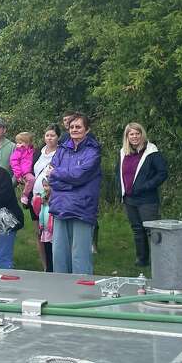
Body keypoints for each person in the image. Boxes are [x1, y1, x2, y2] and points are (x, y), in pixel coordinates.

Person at [47, 113, 102, 274]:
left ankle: (83, 294)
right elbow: (51, 178)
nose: (74, 130)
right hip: (60, 207)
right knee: (59, 255)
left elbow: (80, 175)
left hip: (82, 208)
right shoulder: (62, 149)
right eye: (72, 127)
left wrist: (59, 174)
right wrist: (71, 182)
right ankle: (61, 294)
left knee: (80, 257)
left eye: (78, 127)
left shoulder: (93, 151)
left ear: (87, 129)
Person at [118, 122, 169, 267]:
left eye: (137, 133)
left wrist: (145, 186)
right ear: (127, 136)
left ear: (142, 135)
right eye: (131, 134)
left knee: (152, 230)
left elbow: (162, 173)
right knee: (137, 230)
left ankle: (160, 261)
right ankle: (142, 260)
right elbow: (120, 174)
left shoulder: (152, 152)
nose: (134, 137)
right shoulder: (124, 152)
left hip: (147, 199)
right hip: (129, 198)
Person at [31, 124, 62, 272]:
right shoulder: (38, 152)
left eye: (52, 135)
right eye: (47, 135)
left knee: (52, 232)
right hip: (36, 199)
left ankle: (55, 266)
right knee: (40, 233)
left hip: (51, 199)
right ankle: (45, 267)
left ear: (58, 137)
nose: (49, 138)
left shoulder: (61, 153)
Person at [10, 131, 36, 206]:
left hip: (30, 171)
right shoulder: (19, 151)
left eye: (21, 142)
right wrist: (18, 175)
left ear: (28, 142)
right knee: (31, 180)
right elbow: (14, 162)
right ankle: (25, 195)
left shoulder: (30, 150)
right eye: (18, 142)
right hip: (24, 172)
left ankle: (33, 199)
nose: (18, 144)